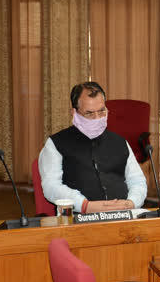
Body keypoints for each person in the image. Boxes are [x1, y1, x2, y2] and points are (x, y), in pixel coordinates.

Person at [38, 81, 147, 213]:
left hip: (125, 214)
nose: (97, 118)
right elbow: (51, 186)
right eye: (89, 113)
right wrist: (85, 206)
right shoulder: (56, 144)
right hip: (80, 216)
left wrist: (131, 202)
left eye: (101, 111)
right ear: (74, 112)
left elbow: (137, 180)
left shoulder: (119, 142)